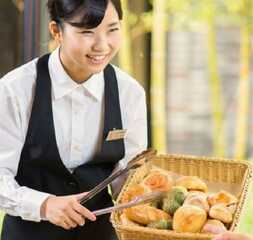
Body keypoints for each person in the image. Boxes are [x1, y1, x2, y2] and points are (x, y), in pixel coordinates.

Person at [0, 0, 147, 239]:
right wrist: (44, 205)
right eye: (86, 32)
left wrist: (151, 193)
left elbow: (129, 176)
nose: (102, 45)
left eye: (112, 29)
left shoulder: (129, 93)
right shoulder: (16, 90)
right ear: (56, 31)